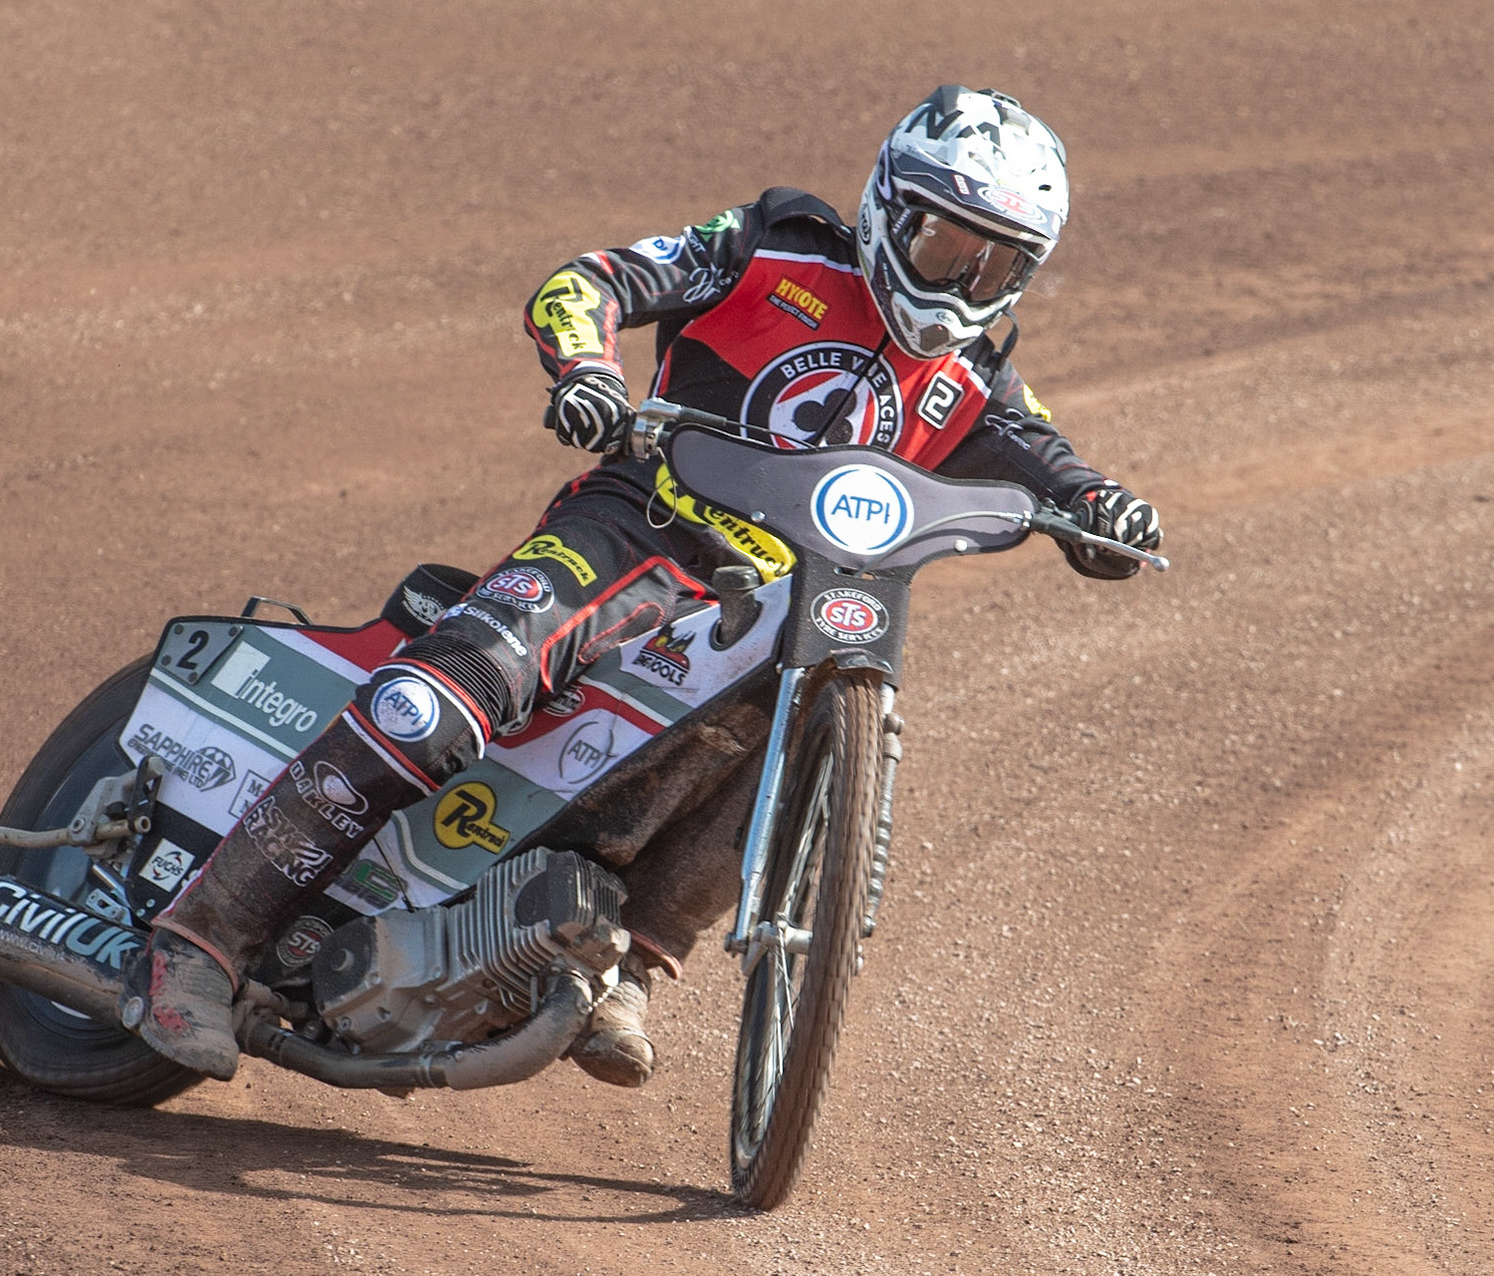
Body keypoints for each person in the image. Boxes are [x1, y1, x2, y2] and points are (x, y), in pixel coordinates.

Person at [121, 85, 1163, 1087]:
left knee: (810, 725)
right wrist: (587, 370)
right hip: (633, 530)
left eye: (995, 266)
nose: (962, 282)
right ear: (892, 206)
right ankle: (198, 943)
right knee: (435, 702)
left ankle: (630, 965)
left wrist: (1107, 509)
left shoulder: (981, 368)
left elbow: (1046, 457)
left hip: (766, 602)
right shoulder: (777, 246)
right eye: (945, 245)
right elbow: (589, 283)